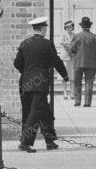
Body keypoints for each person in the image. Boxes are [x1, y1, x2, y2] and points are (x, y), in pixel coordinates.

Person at [12, 15, 67, 151]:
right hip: (39, 84)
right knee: (35, 112)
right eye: (45, 28)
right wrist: (65, 75)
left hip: (25, 82)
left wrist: (27, 72)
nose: (46, 30)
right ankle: (25, 142)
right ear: (42, 29)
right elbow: (56, 61)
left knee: (42, 111)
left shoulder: (24, 43)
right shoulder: (47, 44)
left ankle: (50, 140)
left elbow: (17, 63)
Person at [68, 17, 96, 107]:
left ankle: (77, 101)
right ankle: (87, 102)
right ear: (89, 26)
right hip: (91, 63)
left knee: (77, 83)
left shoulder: (76, 36)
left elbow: (72, 49)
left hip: (78, 62)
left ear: (82, 26)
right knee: (89, 83)